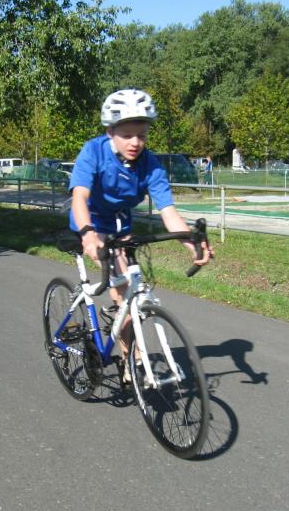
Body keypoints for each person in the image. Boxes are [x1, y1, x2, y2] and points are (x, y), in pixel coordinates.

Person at [68, 88, 213, 378]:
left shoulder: (150, 165)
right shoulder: (93, 151)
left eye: (142, 135)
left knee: (130, 292)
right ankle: (132, 358)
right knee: (122, 289)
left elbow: (168, 213)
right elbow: (79, 197)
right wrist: (88, 235)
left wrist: (191, 243)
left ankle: (126, 356)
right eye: (127, 135)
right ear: (110, 132)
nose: (135, 143)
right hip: (90, 221)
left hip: (120, 225)